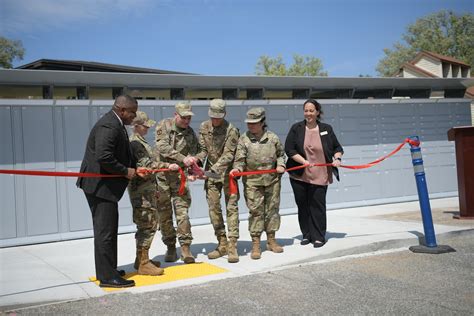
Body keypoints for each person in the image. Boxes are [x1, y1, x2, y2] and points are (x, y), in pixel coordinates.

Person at [76, 94, 138, 288]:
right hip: (99, 187)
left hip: (103, 187)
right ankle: (107, 277)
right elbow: (104, 156)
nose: (134, 117)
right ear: (122, 110)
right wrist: (126, 171)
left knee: (108, 229)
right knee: (105, 232)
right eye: (132, 113)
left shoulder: (116, 123)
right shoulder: (109, 125)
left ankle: (108, 269)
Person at [284, 99, 343, 248]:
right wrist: (303, 160)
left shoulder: (326, 129)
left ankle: (318, 236)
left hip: (320, 174)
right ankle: (307, 234)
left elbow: (337, 147)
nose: (308, 113)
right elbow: (289, 149)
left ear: (317, 112)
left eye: (311, 110)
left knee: (317, 206)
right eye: (306, 110)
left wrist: (337, 158)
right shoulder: (296, 128)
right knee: (303, 206)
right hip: (299, 174)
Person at [230, 107, 286, 260]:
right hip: (253, 182)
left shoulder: (273, 138)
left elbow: (281, 155)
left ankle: (271, 240)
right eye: (249, 123)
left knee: (272, 210)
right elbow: (239, 160)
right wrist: (237, 169)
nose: (251, 126)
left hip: (272, 181)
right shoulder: (244, 139)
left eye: (254, 123)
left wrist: (281, 165)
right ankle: (256, 244)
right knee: (256, 212)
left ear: (262, 122)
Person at [128, 111, 179, 275]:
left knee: (145, 224)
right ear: (136, 126)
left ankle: (140, 260)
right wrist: (167, 166)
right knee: (148, 225)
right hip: (141, 192)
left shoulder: (140, 141)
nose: (148, 128)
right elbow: (147, 165)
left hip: (146, 190)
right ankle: (143, 263)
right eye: (145, 126)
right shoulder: (136, 143)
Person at [154, 101, 200, 264]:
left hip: (180, 179)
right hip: (163, 179)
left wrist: (194, 166)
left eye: (188, 118)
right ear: (175, 115)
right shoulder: (163, 125)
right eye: (183, 117)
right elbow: (162, 146)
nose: (186, 121)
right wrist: (183, 158)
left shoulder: (190, 132)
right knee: (164, 215)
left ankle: (186, 248)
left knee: (183, 214)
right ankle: (171, 247)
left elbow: (195, 151)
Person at [196, 99, 240, 263]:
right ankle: (222, 243)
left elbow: (229, 155)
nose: (215, 120)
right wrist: (196, 162)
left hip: (228, 173)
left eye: (218, 117)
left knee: (231, 208)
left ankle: (232, 246)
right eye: (212, 116)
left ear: (224, 114)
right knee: (214, 208)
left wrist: (212, 170)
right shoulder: (204, 127)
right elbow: (203, 151)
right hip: (212, 174)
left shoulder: (231, 130)